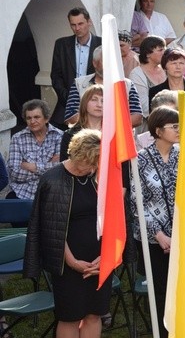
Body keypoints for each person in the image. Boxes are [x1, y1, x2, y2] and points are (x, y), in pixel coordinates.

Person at [24, 129, 112, 338]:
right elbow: (49, 229)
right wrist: (72, 262)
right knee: (70, 317)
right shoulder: (52, 180)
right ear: (77, 155)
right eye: (89, 163)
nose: (93, 168)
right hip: (67, 262)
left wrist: (106, 257)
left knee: (94, 314)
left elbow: (114, 219)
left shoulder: (99, 176)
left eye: (97, 164)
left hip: (100, 260)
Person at [130, 107, 180, 338]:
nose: (179, 130)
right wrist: (159, 235)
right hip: (154, 238)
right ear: (159, 131)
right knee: (160, 290)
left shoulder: (182, 155)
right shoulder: (141, 160)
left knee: (182, 287)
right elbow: (136, 204)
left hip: (181, 234)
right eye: (174, 126)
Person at [136, 90, 185, 209]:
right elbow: (140, 179)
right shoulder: (142, 140)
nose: (170, 118)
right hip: (156, 205)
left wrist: (183, 182)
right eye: (164, 115)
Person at [63, 46, 143, 127]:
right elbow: (70, 117)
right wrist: (95, 124)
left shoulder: (127, 84)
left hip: (118, 137)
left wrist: (108, 126)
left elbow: (137, 117)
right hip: (86, 136)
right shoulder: (79, 83)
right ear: (95, 63)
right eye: (106, 61)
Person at [50, 7, 103, 128]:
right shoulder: (61, 45)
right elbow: (55, 76)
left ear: (89, 22)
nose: (77, 28)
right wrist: (69, 98)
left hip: (97, 104)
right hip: (66, 106)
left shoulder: (102, 43)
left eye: (80, 23)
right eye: (73, 25)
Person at [8, 99, 63, 200]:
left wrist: (31, 167)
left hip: (51, 192)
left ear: (46, 119)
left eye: (36, 117)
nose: (32, 121)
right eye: (29, 118)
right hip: (22, 193)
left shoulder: (59, 136)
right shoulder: (17, 138)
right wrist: (48, 167)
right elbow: (14, 174)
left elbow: (60, 170)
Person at [129, 36, 167, 130]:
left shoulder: (167, 70)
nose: (164, 53)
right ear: (148, 54)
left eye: (164, 49)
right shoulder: (137, 73)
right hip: (148, 127)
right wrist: (164, 120)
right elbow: (143, 105)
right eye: (160, 50)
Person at [60, 84, 103, 160]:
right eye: (94, 99)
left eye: (103, 101)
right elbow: (65, 166)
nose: (99, 105)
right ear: (85, 103)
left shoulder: (114, 134)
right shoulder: (70, 135)